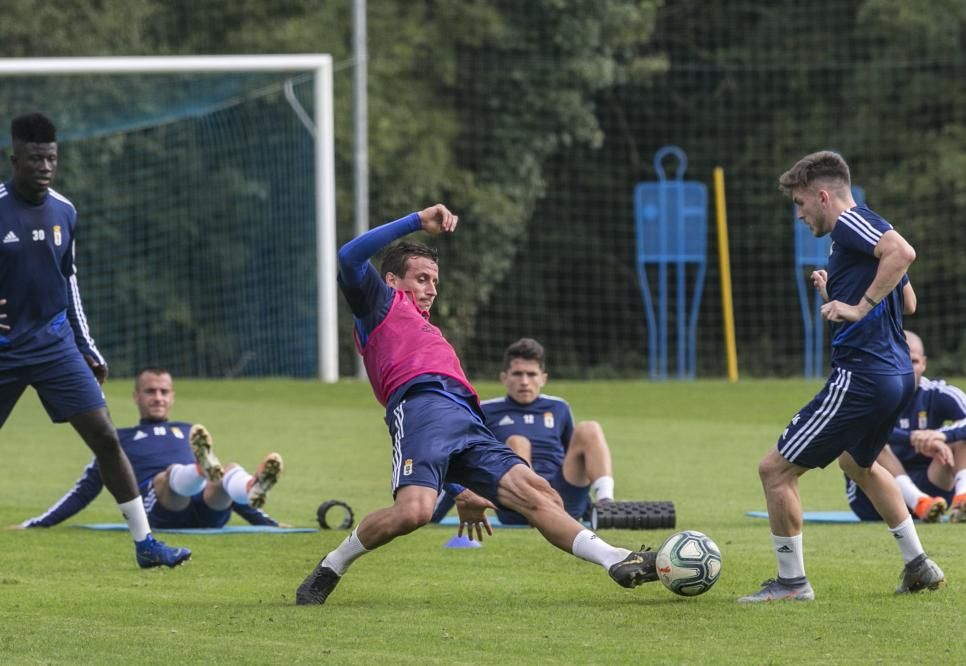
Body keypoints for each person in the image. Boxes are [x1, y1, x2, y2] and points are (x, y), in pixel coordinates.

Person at [295, 205, 658, 605]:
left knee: (541, 494)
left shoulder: (428, 328)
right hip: (420, 407)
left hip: (467, 419)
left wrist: (461, 490)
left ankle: (618, 560)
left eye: (435, 280)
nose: (432, 288)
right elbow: (348, 255)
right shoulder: (379, 305)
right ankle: (333, 564)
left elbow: (449, 439)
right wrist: (417, 220)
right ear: (392, 280)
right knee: (414, 512)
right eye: (422, 278)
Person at [739, 151, 944, 603]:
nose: (799, 214)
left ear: (823, 195)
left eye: (800, 203)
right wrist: (839, 291)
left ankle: (792, 584)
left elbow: (903, 253)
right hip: (894, 376)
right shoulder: (862, 233)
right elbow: (907, 300)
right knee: (857, 463)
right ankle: (918, 565)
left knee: (774, 470)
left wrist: (858, 306)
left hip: (863, 375)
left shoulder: (853, 223)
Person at [0, 113, 189, 568]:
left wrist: (87, 346)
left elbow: (70, 286)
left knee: (105, 437)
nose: (45, 166)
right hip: (5, 351)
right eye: (35, 158)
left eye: (51, 158)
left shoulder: (66, 210)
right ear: (15, 159)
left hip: (54, 345)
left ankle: (146, 544)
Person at [21, 367, 285, 530]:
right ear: (136, 396)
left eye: (164, 391)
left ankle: (252, 486)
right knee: (170, 475)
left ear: (172, 396)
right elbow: (85, 489)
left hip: (208, 510)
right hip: (163, 507)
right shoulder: (117, 437)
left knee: (228, 472)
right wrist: (39, 523)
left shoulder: (188, 429)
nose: (158, 397)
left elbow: (231, 495)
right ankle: (197, 469)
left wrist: (272, 525)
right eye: (150, 391)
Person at [847, 330, 966, 523]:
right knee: (874, 443)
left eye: (914, 362)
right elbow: (859, 428)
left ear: (923, 363)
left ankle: (963, 501)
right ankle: (919, 502)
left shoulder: (937, 392)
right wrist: (912, 437)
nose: (907, 368)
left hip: (932, 492)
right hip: (873, 499)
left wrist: (940, 436)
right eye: (900, 360)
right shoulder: (869, 392)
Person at [478, 337, 616, 525]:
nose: (524, 381)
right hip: (516, 501)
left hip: (560, 496)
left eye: (531, 374)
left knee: (589, 429)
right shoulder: (485, 410)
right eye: (517, 374)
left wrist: (587, 505)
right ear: (504, 377)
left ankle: (607, 504)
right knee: (518, 442)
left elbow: (576, 456)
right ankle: (533, 501)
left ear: (543, 378)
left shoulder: (558, 407)